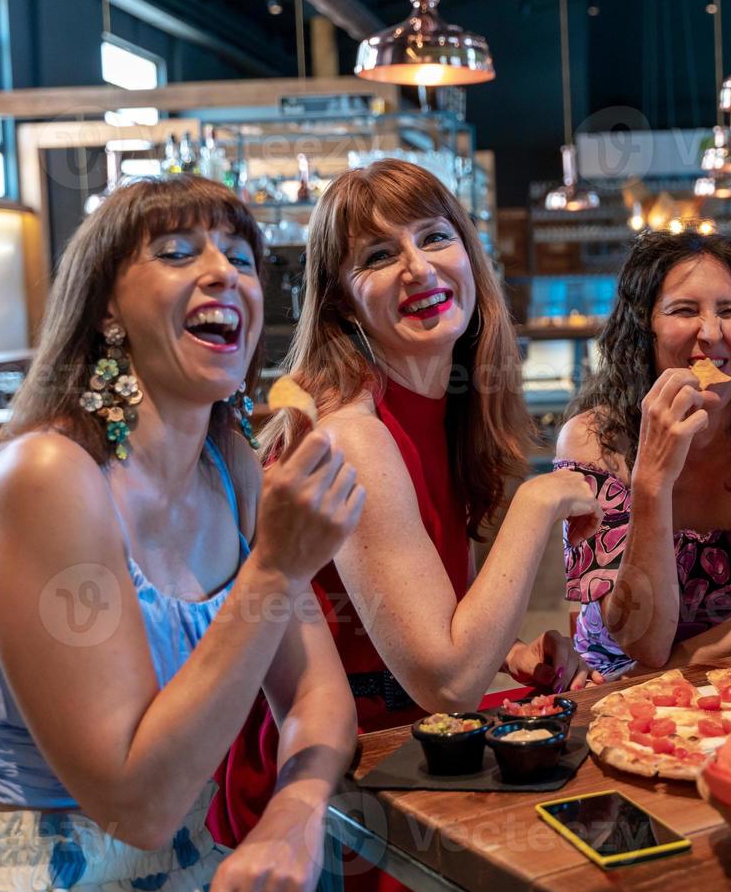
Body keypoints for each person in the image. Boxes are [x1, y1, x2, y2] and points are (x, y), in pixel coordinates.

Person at [0, 176, 362, 892]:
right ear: (107, 305)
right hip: (30, 873)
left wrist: (293, 811)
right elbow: (135, 806)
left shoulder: (230, 466)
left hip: (189, 863)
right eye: (177, 253)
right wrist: (274, 568)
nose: (222, 273)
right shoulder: (48, 477)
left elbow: (316, 696)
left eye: (240, 258)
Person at [212, 159, 602, 856]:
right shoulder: (354, 434)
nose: (418, 270)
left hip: (403, 739)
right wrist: (539, 502)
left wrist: (508, 653)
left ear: (469, 255)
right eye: (379, 256)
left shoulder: (441, 407)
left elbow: (396, 623)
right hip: (340, 784)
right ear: (340, 303)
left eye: (433, 238)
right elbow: (448, 680)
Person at [554, 229, 731, 678]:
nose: (711, 333)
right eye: (684, 310)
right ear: (644, 330)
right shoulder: (594, 442)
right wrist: (651, 482)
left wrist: (673, 667)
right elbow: (644, 640)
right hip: (606, 682)